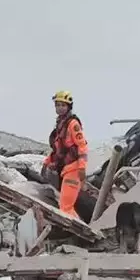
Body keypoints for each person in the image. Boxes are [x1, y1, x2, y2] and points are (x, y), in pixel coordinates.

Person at [42, 90, 89, 218]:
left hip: (73, 168)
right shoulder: (61, 124)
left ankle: (80, 234)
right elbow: (59, 148)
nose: (60, 108)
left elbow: (82, 146)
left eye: (63, 105)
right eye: (57, 105)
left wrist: (81, 167)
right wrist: (47, 162)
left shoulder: (73, 124)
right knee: (65, 207)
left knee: (66, 208)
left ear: (69, 106)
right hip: (66, 168)